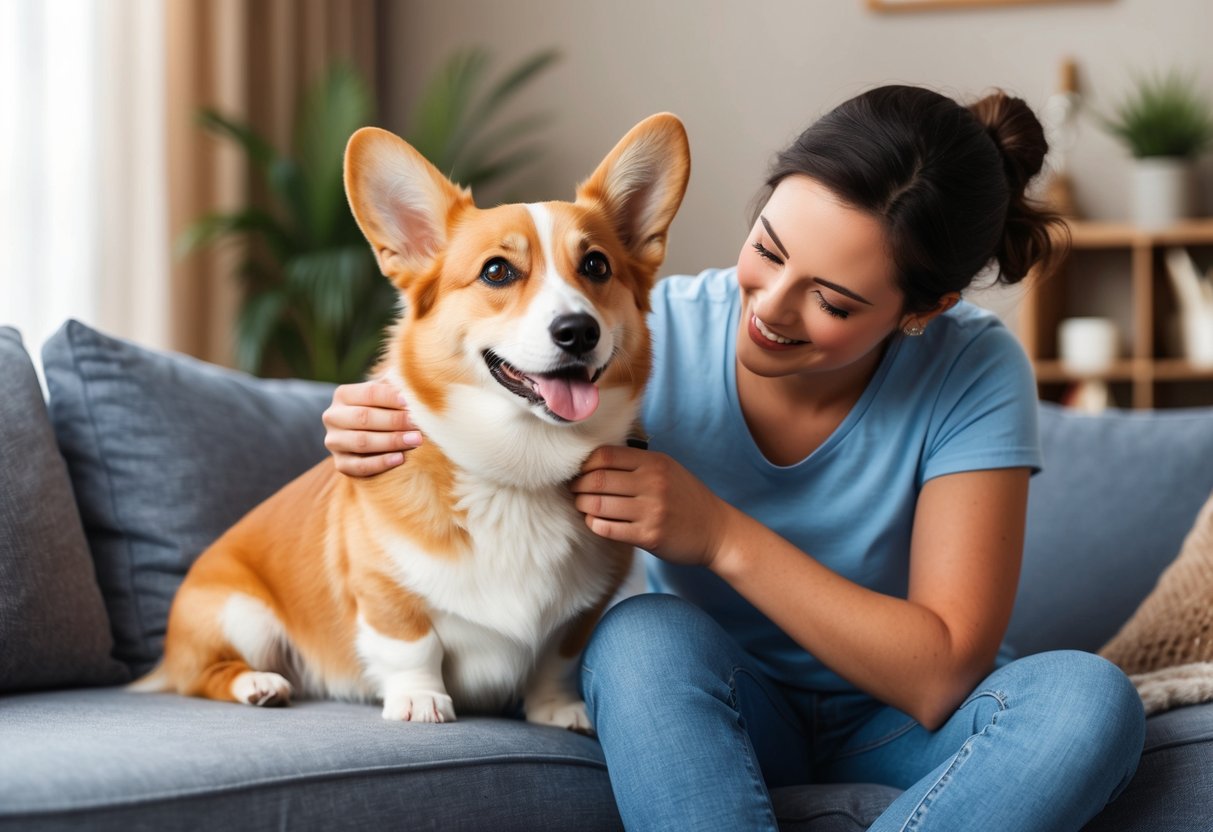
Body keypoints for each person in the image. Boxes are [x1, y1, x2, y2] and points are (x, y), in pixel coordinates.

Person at [322, 85, 1145, 831]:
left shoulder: (973, 368)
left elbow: (938, 675)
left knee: (1089, 698)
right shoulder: (636, 332)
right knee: (639, 637)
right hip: (719, 705)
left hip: (909, 728)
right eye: (769, 249)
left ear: (923, 311)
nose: (771, 310)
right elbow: (461, 391)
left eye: (831, 300)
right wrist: (368, 419)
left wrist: (716, 534)